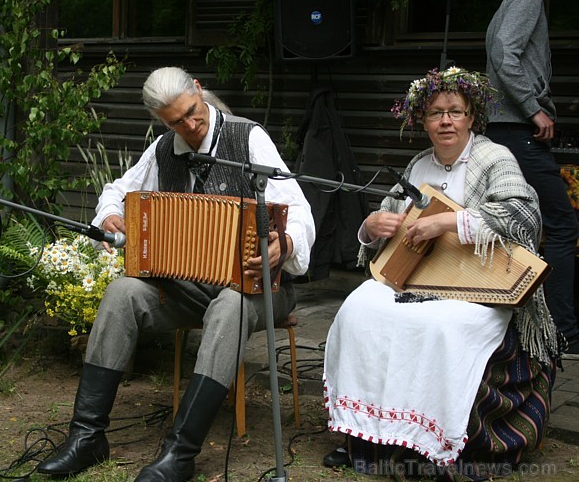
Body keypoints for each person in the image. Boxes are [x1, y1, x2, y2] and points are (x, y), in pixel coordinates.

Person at [36, 66, 315, 480]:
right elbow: (118, 189)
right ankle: (87, 437)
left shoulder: (247, 137)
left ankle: (179, 454)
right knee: (121, 293)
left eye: (192, 112)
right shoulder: (165, 148)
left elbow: (300, 210)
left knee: (231, 304)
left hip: (261, 288)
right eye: (175, 121)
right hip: (190, 290)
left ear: (199, 90)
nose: (189, 125)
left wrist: (284, 244)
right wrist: (111, 213)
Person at [322, 68, 558, 480]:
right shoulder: (418, 165)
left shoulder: (493, 157)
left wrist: (448, 223)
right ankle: (362, 436)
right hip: (419, 281)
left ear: (472, 117)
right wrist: (372, 226)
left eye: (455, 112)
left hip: (481, 287)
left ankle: (437, 445)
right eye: (435, 113)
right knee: (356, 310)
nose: (445, 121)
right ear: (422, 121)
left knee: (442, 329)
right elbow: (388, 221)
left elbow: (523, 216)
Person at [485, 0, 579, 355]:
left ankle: (523, 324)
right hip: (518, 128)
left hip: (507, 128)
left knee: (515, 224)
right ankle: (563, 331)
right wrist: (532, 107)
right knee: (561, 224)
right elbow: (504, 54)